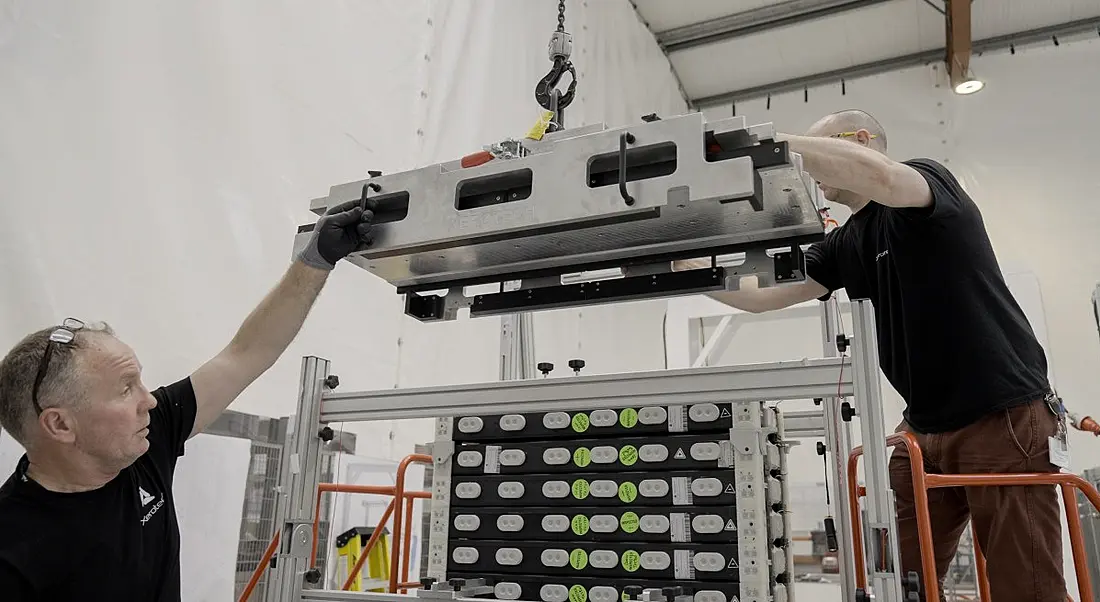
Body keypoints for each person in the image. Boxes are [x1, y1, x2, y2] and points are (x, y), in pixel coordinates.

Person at [677, 110, 1066, 601]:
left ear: (861, 141)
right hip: (922, 432)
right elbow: (763, 295)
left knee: (1026, 588)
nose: (810, 173)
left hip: (1002, 418)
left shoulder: (928, 186)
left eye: (815, 155)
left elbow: (878, 175)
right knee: (901, 583)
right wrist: (681, 263)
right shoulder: (846, 242)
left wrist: (760, 144)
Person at [0, 198, 376, 601]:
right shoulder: (13, 552)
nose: (150, 401)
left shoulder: (144, 445)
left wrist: (315, 261)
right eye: (126, 388)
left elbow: (246, 353)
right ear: (60, 425)